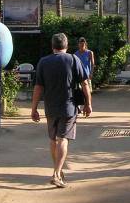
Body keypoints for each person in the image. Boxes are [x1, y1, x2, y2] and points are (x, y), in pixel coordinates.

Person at [32, 33, 92, 188]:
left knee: (53, 140)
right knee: (63, 139)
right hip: (69, 107)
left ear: (53, 46)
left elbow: (38, 87)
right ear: (66, 46)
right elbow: (84, 83)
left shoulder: (43, 62)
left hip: (50, 108)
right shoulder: (73, 59)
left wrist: (33, 109)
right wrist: (88, 104)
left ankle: (56, 169)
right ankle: (57, 173)